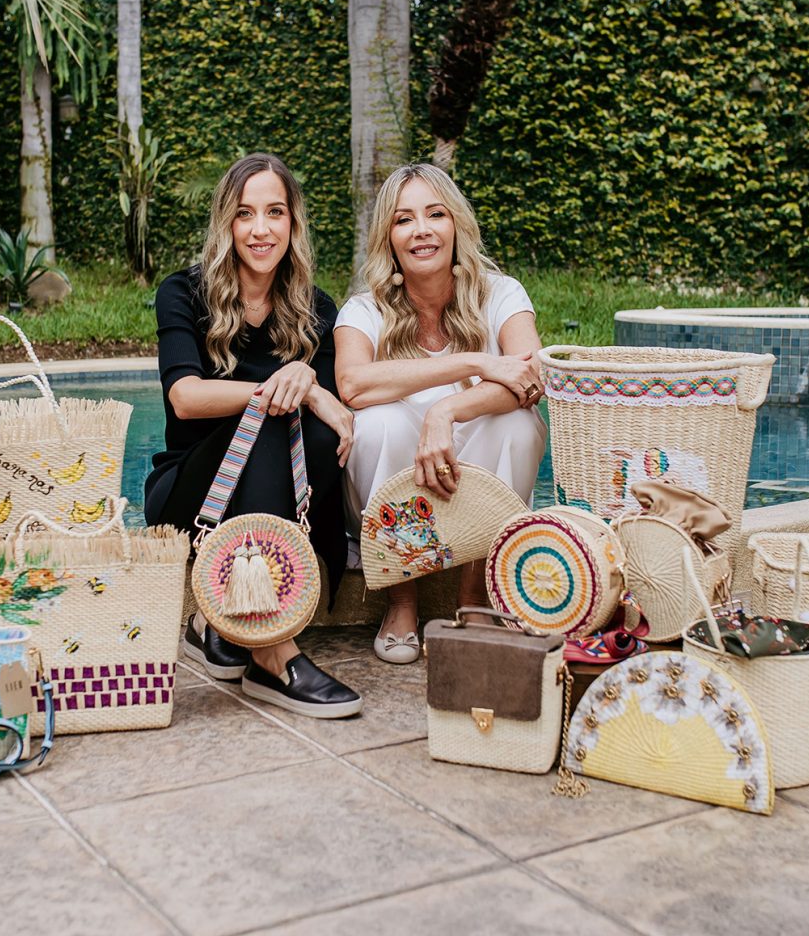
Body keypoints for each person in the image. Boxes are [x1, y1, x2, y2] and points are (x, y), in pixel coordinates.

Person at [145, 153, 361, 717]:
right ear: (227, 222)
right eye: (245, 214)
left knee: (312, 434)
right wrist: (294, 387)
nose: (260, 229)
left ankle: (214, 622)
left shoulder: (316, 309)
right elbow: (186, 397)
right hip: (192, 492)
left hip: (285, 499)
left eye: (274, 212)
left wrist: (310, 387)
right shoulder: (183, 292)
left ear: (293, 222)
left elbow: (334, 423)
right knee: (267, 417)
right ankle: (271, 649)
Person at [335, 163, 547, 664]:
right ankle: (401, 600)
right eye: (404, 219)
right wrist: (473, 363)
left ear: (456, 224)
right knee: (376, 424)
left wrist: (446, 412)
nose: (422, 230)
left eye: (435, 214)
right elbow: (353, 384)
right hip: (401, 487)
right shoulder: (363, 310)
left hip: (474, 472)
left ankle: (474, 597)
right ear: (388, 237)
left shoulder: (501, 293)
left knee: (517, 424)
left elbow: (533, 375)